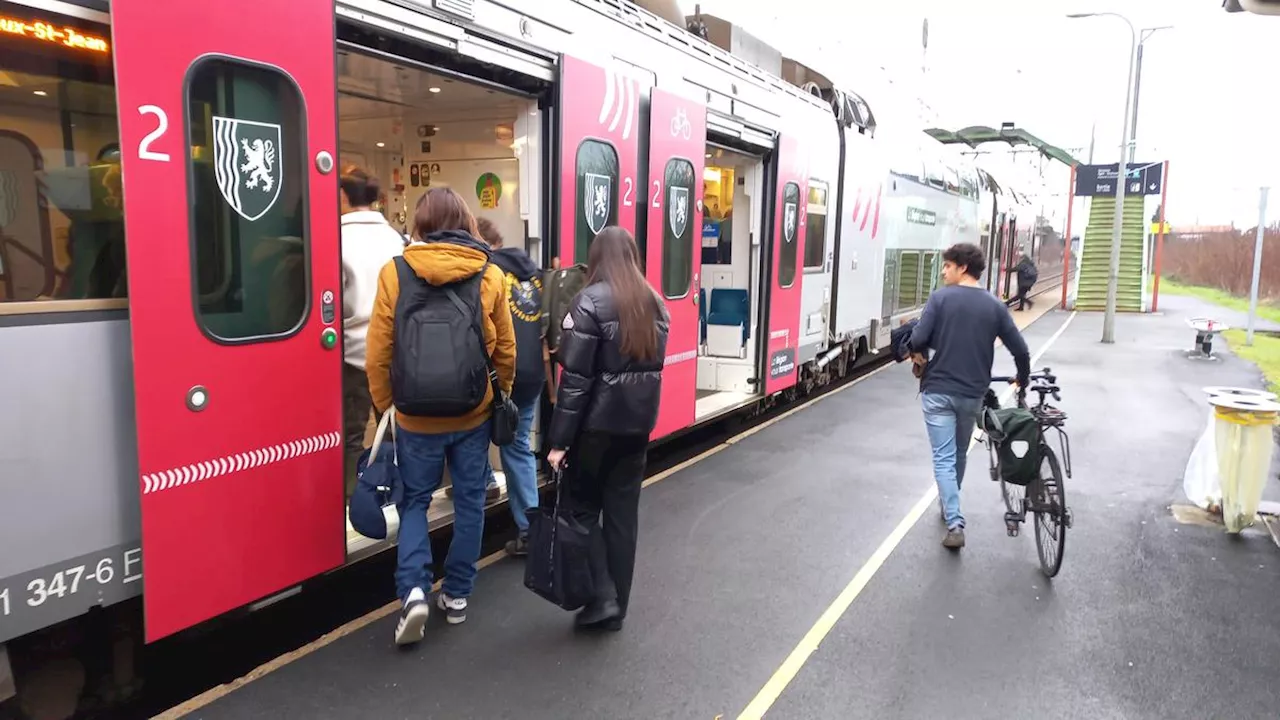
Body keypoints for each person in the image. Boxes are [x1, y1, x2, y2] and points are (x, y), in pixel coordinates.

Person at [365, 187, 516, 645]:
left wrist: (388, 405)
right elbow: (505, 349)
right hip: (471, 414)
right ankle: (456, 596)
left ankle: (413, 591)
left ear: (421, 225)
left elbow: (378, 352)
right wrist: (498, 396)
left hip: (414, 419)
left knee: (414, 502)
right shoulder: (489, 274)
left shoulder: (395, 272)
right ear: (466, 221)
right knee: (470, 502)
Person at [546, 227, 669, 631]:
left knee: (578, 510)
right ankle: (618, 607)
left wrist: (559, 441)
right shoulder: (655, 303)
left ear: (596, 258)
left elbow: (576, 380)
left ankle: (603, 597)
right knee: (621, 517)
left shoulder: (588, 302)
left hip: (594, 430)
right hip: (636, 430)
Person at [908, 243, 1029, 550]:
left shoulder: (939, 299)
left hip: (938, 391)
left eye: (947, 266)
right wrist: (1022, 379)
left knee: (944, 458)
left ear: (962, 268)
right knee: (959, 453)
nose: (943, 272)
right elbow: (1020, 349)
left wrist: (922, 348)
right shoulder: (994, 305)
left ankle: (954, 522)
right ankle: (951, 505)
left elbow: (919, 339)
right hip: (972, 393)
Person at [474, 217, 545, 556]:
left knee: (471, 439)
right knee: (518, 448)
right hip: (533, 374)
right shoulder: (531, 272)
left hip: (502, 373)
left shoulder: (487, 273)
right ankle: (530, 529)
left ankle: (485, 484)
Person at [338, 166, 405, 499]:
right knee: (392, 427)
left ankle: (354, 501)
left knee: (351, 434)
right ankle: (393, 492)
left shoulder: (336, 239)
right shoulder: (395, 239)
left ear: (343, 196)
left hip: (351, 353)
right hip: (393, 350)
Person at [1014, 246, 1039, 311]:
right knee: (1022, 294)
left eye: (1021, 258)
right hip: (1027, 282)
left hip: (1024, 282)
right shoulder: (1029, 263)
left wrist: (1006, 270)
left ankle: (1029, 302)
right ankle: (1021, 307)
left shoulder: (1024, 264)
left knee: (1020, 295)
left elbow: (1017, 269)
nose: (1020, 259)